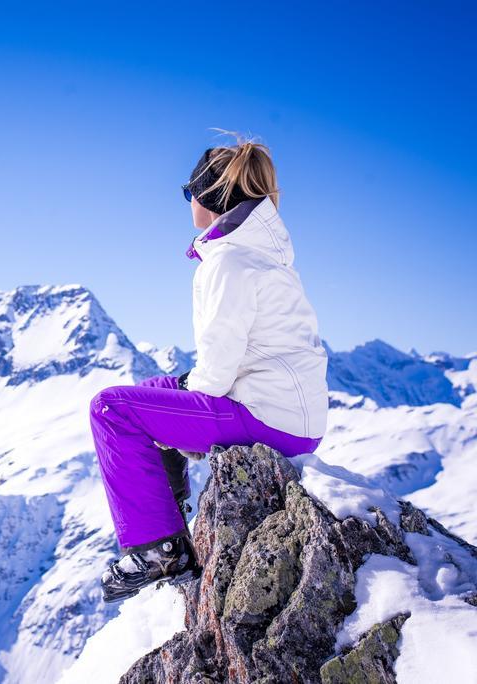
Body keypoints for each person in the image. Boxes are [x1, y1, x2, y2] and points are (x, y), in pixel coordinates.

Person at [89, 129, 329, 603]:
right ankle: (169, 505)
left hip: (267, 419)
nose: (187, 203)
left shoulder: (229, 263)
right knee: (157, 388)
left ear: (210, 198)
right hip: (288, 413)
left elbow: (216, 376)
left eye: (188, 193)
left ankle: (159, 547)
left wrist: (184, 415)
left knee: (111, 409)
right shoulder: (260, 254)